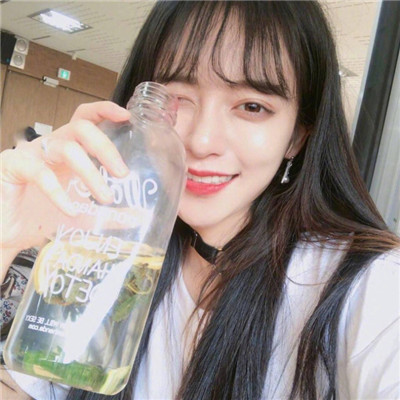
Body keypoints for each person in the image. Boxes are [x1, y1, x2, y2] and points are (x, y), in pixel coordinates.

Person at [1, 1, 399, 399]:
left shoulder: (370, 287)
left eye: (252, 106)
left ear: (296, 136)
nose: (202, 141)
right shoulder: (105, 249)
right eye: (175, 97)